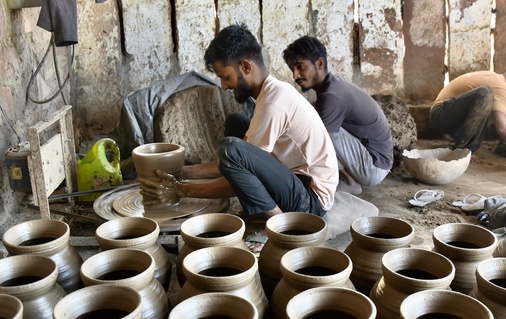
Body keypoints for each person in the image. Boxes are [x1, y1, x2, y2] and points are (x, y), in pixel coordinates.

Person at [143, 24, 338, 220]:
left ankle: (279, 225)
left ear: (245, 66)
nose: (224, 86)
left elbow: (237, 177)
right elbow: (238, 166)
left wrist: (181, 190)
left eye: (225, 77)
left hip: (311, 199)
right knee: (236, 124)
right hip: (296, 179)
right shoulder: (271, 92)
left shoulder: (273, 103)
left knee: (230, 149)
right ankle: (266, 212)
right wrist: (180, 171)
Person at [283, 36, 393, 194]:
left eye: (300, 67)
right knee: (312, 124)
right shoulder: (332, 86)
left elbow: (316, 146)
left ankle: (345, 181)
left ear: (320, 63)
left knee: (317, 132)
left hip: (373, 166)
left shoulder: (333, 96)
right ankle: (346, 179)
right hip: (372, 160)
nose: (295, 75)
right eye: (292, 69)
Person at [429, 58, 506, 162]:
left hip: (445, 117)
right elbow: (503, 128)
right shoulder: (500, 87)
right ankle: (464, 149)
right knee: (485, 94)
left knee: (495, 108)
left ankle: (453, 136)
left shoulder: (495, 78)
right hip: (440, 116)